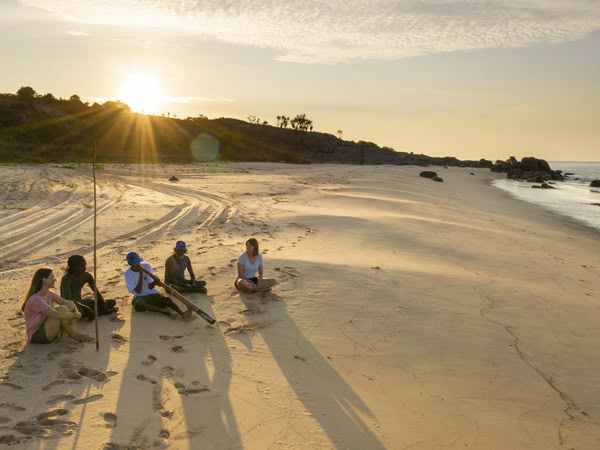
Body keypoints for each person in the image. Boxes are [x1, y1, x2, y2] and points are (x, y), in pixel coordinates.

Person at [22, 267, 91, 344]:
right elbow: (57, 315)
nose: (55, 279)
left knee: (68, 304)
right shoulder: (36, 299)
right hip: (37, 335)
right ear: (44, 280)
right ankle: (72, 334)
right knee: (62, 309)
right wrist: (75, 315)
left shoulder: (49, 293)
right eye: (52, 277)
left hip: (48, 327)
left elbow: (68, 302)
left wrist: (76, 312)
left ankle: (64, 336)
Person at [124, 251, 193, 319]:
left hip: (151, 293)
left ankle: (182, 313)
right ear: (129, 263)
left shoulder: (147, 266)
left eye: (138, 262)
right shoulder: (128, 273)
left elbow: (150, 287)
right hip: (139, 297)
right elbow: (138, 291)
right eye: (135, 264)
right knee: (140, 303)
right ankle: (167, 313)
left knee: (167, 299)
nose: (138, 264)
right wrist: (141, 274)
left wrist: (155, 282)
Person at [60, 254, 118, 320]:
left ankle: (95, 313)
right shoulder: (67, 279)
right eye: (82, 266)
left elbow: (96, 292)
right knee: (79, 312)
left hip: (82, 302)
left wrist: (103, 303)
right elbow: (68, 299)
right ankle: (97, 313)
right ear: (74, 267)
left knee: (111, 302)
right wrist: (86, 308)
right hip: (70, 306)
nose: (85, 267)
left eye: (85, 265)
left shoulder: (87, 276)